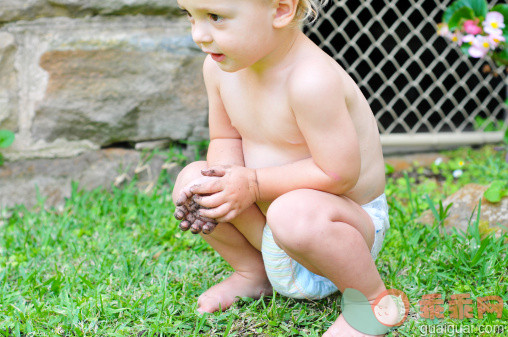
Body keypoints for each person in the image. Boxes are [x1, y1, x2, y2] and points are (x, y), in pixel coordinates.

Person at [172, 0, 401, 335]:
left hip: (339, 227)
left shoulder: (311, 81)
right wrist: (224, 186)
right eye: (190, 16)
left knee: (291, 212)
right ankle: (254, 274)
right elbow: (224, 136)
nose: (199, 35)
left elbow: (337, 174)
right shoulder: (219, 69)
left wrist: (251, 184)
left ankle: (372, 301)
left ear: (281, 10)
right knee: (194, 181)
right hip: (270, 231)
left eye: (215, 18)